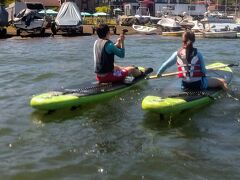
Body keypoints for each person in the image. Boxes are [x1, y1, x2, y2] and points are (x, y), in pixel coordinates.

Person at [156, 30, 228, 91]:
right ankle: (229, 95)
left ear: (182, 40)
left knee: (186, 80)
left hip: (185, 86)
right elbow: (203, 71)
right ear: (194, 41)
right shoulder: (198, 54)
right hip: (199, 85)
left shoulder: (176, 54)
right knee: (223, 81)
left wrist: (159, 73)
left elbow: (165, 65)